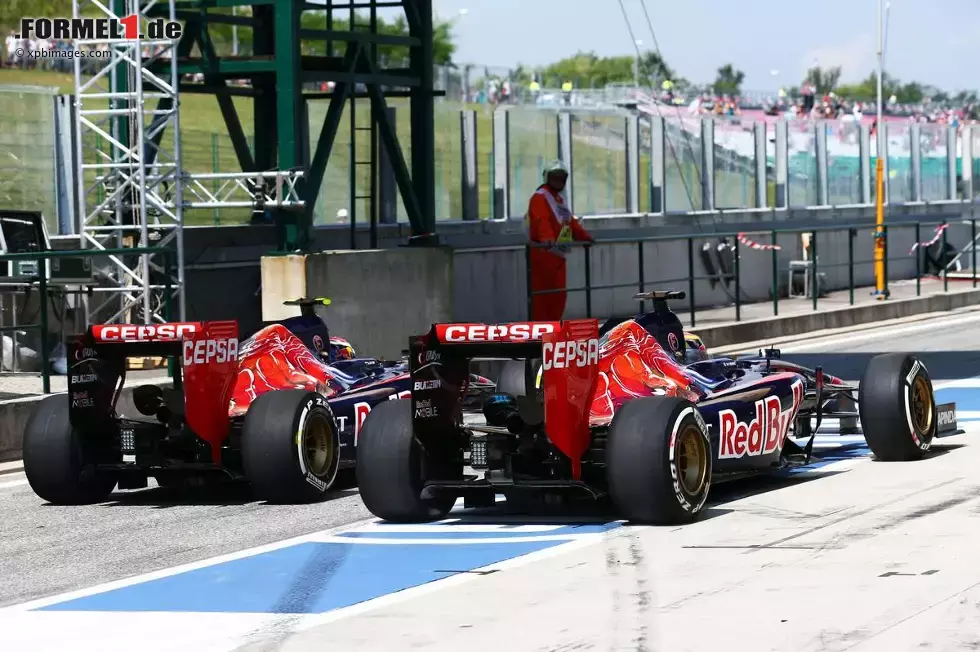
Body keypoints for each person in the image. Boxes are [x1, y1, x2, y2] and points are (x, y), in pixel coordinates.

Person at [525, 160, 594, 321]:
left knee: (557, 297)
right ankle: (542, 334)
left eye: (561, 178)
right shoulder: (540, 197)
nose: (558, 181)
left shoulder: (558, 200)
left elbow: (570, 222)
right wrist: (547, 238)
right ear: (547, 177)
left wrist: (585, 237)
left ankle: (553, 329)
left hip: (557, 256)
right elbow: (541, 220)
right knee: (543, 298)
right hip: (543, 255)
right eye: (555, 177)